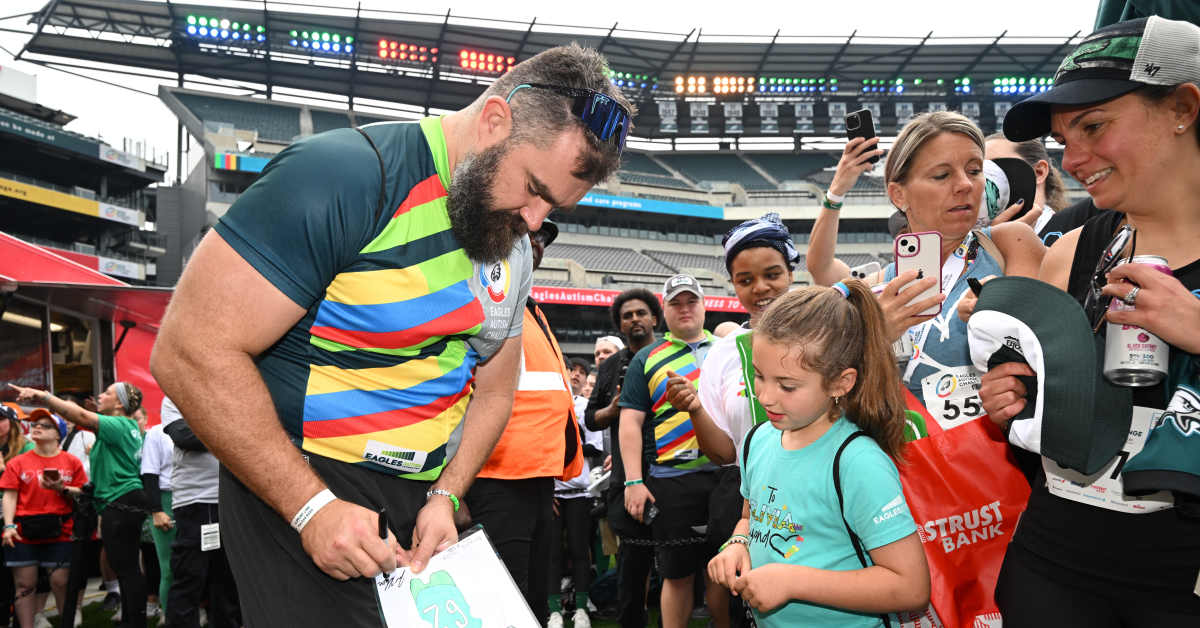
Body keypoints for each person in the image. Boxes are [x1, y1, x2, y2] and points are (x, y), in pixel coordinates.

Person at [148, 44, 631, 626]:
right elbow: (189, 350)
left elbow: (497, 389)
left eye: (554, 208)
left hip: (425, 493)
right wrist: (311, 509)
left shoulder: (510, 241)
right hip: (305, 479)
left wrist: (448, 494)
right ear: (495, 120)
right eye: (533, 187)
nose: (533, 221)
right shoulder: (345, 175)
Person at [979, 16, 1200, 625]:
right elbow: (1038, 412)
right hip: (1057, 564)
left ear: (1182, 107)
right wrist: (1011, 397)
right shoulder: (1074, 248)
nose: (1073, 158)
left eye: (1094, 127)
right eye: (1062, 138)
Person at [708, 282, 930, 627]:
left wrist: (792, 581)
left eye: (787, 385)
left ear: (841, 383)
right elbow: (750, 519)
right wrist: (739, 543)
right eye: (759, 376)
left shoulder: (857, 462)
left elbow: (911, 587)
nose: (765, 396)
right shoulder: (757, 441)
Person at [814, 112, 1046, 428]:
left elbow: (1046, 351)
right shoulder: (876, 289)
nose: (965, 185)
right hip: (904, 465)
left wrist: (1001, 313)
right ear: (899, 195)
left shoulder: (1010, 243)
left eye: (974, 170)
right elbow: (835, 400)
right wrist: (874, 341)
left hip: (992, 463)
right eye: (941, 175)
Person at [465, 220, 584, 627]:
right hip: (492, 480)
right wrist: (453, 489)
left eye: (540, 240)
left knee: (531, 602)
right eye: (524, 235)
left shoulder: (530, 311)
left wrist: (543, 481)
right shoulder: (482, 301)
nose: (535, 244)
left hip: (535, 482)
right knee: (502, 606)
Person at [619, 274, 720, 628]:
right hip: (672, 477)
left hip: (725, 475)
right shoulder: (646, 358)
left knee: (726, 573)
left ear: (704, 304)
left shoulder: (726, 350)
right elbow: (629, 422)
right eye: (676, 303)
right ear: (664, 310)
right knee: (676, 575)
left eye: (691, 301)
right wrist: (633, 481)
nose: (684, 309)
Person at [6, 382, 148, 628]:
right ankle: (131, 619)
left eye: (107, 393)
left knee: (126, 567)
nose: (100, 395)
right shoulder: (118, 429)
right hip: (114, 501)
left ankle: (134, 621)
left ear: (119, 404)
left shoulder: (119, 424)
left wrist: (43, 396)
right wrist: (63, 488)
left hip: (122, 501)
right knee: (123, 565)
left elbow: (80, 415)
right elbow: (97, 482)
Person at [583, 289, 661, 628]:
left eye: (641, 313)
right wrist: (613, 410)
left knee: (675, 561)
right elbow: (589, 418)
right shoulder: (611, 366)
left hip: (668, 470)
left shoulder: (669, 356)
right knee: (632, 562)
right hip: (627, 477)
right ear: (620, 324)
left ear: (655, 318)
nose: (634, 320)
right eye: (627, 316)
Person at [0, 409, 87, 628]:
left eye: (45, 425)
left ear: (59, 434)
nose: (37, 427)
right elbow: (9, 495)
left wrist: (62, 488)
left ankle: (66, 622)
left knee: (60, 582)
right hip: (23, 530)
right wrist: (8, 525)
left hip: (61, 529)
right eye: (35, 424)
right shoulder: (18, 462)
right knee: (24, 584)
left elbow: (84, 492)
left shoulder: (72, 462)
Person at [158, 397, 240, 628]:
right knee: (189, 578)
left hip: (233, 499)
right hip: (197, 500)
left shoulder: (228, 390)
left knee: (227, 581)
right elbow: (184, 436)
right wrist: (232, 430)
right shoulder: (176, 393)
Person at [983, 132, 1070, 237]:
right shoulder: (970, 239)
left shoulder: (1075, 234)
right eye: (977, 171)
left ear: (1039, 172)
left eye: (1000, 166)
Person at [140, 416, 174, 620]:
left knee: (201, 564)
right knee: (169, 567)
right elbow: (149, 473)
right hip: (166, 500)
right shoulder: (157, 432)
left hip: (202, 499)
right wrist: (156, 510)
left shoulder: (204, 424)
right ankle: (169, 617)